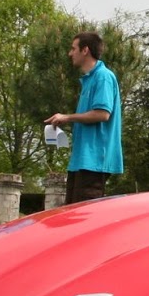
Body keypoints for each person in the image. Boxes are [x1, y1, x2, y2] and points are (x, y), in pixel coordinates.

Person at [45, 31, 123, 204]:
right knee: (72, 217)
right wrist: (66, 121)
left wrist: (67, 117)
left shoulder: (103, 77)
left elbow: (103, 114)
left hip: (94, 161)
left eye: (73, 49)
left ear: (85, 50)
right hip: (81, 161)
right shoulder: (89, 80)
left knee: (83, 220)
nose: (70, 53)